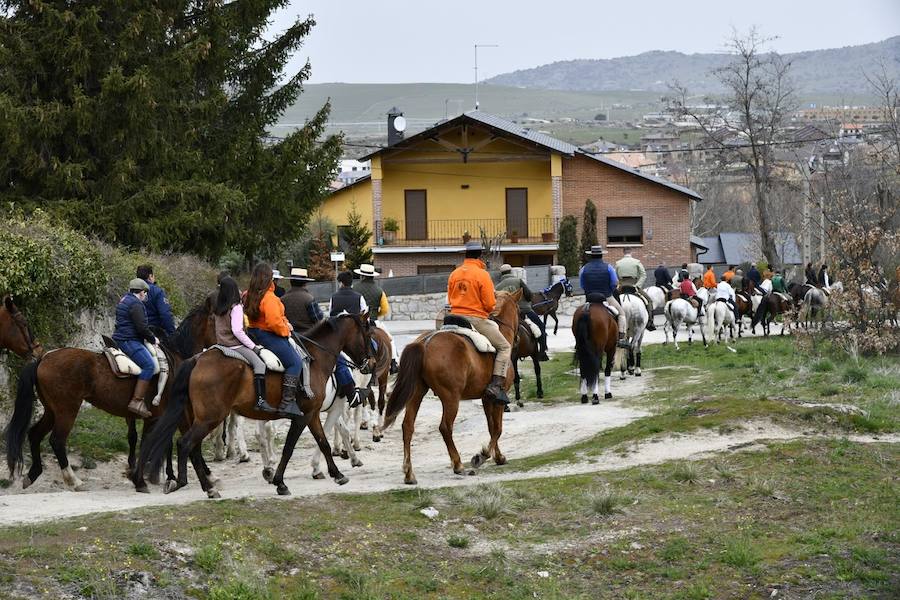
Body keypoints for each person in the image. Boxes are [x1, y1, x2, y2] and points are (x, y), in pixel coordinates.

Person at [447, 241, 513, 405]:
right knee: (505, 347)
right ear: (480, 255)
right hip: (475, 319)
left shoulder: (454, 274)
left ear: (465, 255)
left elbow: (450, 298)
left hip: (453, 318)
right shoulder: (482, 274)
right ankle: (496, 385)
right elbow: (490, 304)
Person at [244, 263, 303, 417]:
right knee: (295, 362)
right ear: (269, 278)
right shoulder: (269, 297)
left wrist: (284, 321)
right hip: (268, 335)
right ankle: (287, 402)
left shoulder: (248, 294)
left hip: (252, 332)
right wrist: (286, 331)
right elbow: (273, 322)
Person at [214, 276, 272, 412]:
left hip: (220, 345)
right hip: (235, 345)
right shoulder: (236, 307)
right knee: (260, 364)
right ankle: (260, 400)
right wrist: (253, 347)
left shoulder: (218, 308)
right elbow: (237, 331)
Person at [113, 278, 158, 418]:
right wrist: (153, 338)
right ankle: (136, 401)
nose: (146, 295)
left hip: (119, 337)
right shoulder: (136, 304)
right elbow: (141, 328)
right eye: (146, 293)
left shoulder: (124, 299)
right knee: (149, 365)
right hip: (129, 340)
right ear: (142, 292)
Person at [329, 270, 369, 406]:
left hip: (337, 336)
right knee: (382, 342)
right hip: (354, 335)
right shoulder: (359, 296)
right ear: (351, 283)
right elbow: (365, 314)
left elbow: (330, 315)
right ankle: (389, 363)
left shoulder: (334, 297)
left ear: (340, 283)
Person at [495, 264, 550, 361]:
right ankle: (542, 352)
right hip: (525, 310)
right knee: (541, 326)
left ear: (501, 274)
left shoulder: (498, 287)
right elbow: (529, 294)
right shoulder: (518, 281)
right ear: (511, 271)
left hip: (509, 315)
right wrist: (527, 301)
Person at [352, 263, 400, 374]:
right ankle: (393, 363)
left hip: (358, 321)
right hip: (373, 320)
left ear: (361, 275)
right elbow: (385, 309)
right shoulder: (379, 290)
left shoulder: (354, 288)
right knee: (390, 339)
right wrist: (376, 315)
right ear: (372, 276)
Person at [580, 245, 630, 349]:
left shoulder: (584, 269)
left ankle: (578, 340)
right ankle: (621, 338)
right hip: (606, 297)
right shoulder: (609, 267)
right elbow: (615, 283)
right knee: (621, 313)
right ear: (601, 255)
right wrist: (610, 290)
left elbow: (582, 285)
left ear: (591, 256)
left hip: (589, 298)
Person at [614, 248, 656, 331]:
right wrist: (637, 285)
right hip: (634, 284)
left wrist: (619, 284)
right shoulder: (637, 262)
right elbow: (643, 275)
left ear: (623, 253)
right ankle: (650, 322)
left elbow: (615, 277)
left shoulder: (618, 263)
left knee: (612, 302)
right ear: (631, 252)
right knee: (649, 300)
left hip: (622, 286)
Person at [136, 265, 175, 338]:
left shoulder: (131, 292)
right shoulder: (157, 291)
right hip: (154, 333)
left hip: (134, 332)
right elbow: (165, 315)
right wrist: (172, 333)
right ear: (150, 276)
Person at [282, 267, 323, 334]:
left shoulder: (282, 299)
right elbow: (318, 319)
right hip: (309, 336)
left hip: (289, 335)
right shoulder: (309, 298)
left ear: (291, 282)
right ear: (305, 283)